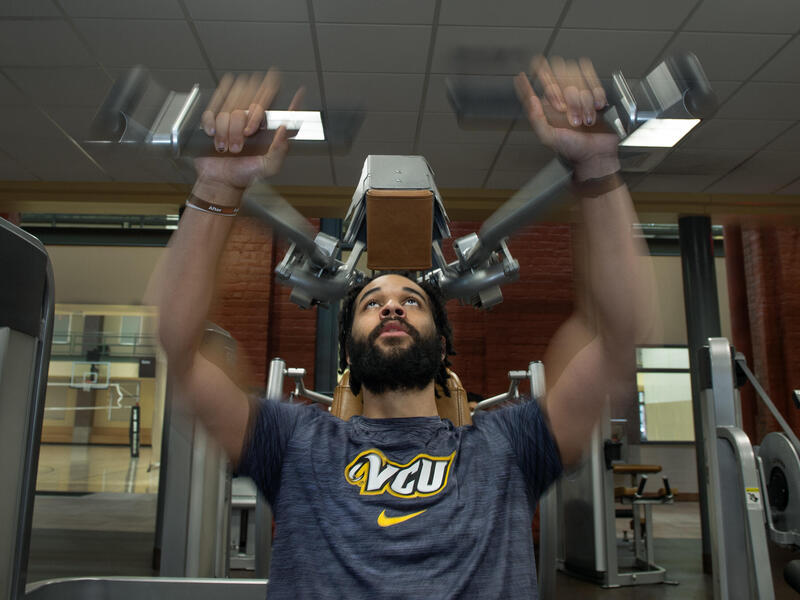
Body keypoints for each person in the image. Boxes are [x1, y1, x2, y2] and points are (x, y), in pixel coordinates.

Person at [154, 57, 654, 599]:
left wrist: (599, 167)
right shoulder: (295, 443)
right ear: (347, 343)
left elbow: (619, 339)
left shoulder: (507, 447)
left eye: (412, 300)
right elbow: (179, 351)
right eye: (372, 301)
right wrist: (216, 186)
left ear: (442, 342)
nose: (392, 307)